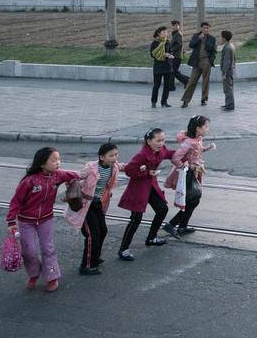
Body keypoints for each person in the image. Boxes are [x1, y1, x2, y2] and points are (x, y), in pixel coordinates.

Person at [6, 147, 82, 292]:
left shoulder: (57, 176)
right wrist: (11, 221)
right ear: (42, 163)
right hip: (26, 221)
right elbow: (16, 201)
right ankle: (34, 274)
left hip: (46, 219)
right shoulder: (29, 181)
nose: (58, 163)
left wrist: (85, 175)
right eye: (54, 160)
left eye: (59, 159)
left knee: (48, 248)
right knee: (29, 251)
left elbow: (75, 174)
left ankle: (52, 277)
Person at [117, 128, 175, 260]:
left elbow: (169, 153)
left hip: (151, 187)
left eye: (163, 140)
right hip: (138, 189)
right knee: (135, 219)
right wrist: (146, 173)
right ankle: (123, 249)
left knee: (162, 209)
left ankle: (151, 237)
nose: (161, 143)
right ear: (149, 141)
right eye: (158, 140)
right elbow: (129, 170)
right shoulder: (142, 155)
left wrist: (185, 152)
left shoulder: (161, 150)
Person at [66, 142, 121, 276]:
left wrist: (142, 167)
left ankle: (94, 256)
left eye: (116, 154)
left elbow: (127, 166)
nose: (114, 157)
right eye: (111, 155)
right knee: (92, 235)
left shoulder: (114, 166)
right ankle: (87, 265)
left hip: (98, 204)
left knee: (103, 230)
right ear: (102, 157)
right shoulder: (91, 167)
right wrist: (61, 176)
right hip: (86, 204)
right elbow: (79, 175)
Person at [164, 116, 217, 238]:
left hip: (195, 172)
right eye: (206, 127)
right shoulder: (189, 142)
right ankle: (171, 225)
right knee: (191, 200)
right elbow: (175, 157)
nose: (208, 129)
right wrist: (185, 166)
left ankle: (182, 226)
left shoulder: (198, 138)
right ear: (198, 128)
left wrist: (207, 148)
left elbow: (197, 152)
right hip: (188, 174)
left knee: (194, 200)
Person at [182, 22, 217, 107]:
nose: (206, 29)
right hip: (196, 62)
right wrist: (198, 39)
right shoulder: (196, 36)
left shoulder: (212, 38)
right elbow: (191, 45)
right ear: (201, 28)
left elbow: (214, 51)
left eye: (207, 28)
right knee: (192, 81)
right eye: (204, 28)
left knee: (205, 81)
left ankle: (204, 100)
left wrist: (210, 61)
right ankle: (185, 100)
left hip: (206, 61)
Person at [150, 26, 174, 108]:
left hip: (167, 66)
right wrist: (161, 55)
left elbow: (170, 51)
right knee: (156, 85)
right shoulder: (155, 43)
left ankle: (164, 102)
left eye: (166, 32)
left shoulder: (168, 42)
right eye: (164, 32)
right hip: (158, 67)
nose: (166, 34)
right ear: (159, 33)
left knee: (167, 86)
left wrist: (169, 55)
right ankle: (153, 102)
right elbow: (152, 55)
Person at [168, 20, 189, 92]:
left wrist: (171, 51)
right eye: (174, 25)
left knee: (173, 71)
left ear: (179, 26)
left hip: (176, 56)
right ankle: (186, 81)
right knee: (174, 71)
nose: (176, 26)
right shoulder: (175, 34)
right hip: (175, 55)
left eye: (177, 25)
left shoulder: (178, 34)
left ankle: (186, 81)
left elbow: (179, 45)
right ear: (172, 26)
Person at [219, 30, 236, 111]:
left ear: (224, 38)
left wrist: (224, 73)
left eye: (221, 37)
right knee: (228, 88)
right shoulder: (231, 45)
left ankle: (230, 105)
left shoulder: (228, 47)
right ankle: (228, 103)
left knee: (228, 89)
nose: (220, 38)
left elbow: (227, 61)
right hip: (230, 70)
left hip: (227, 72)